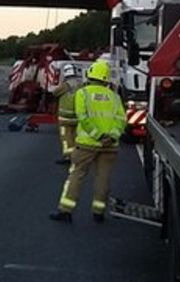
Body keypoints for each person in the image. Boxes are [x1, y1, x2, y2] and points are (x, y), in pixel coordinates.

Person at [50, 59, 126, 223]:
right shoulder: (115, 97)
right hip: (110, 146)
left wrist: (97, 135)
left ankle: (66, 211)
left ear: (90, 74)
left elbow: (82, 117)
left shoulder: (83, 94)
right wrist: (111, 136)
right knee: (103, 178)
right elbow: (121, 120)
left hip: (87, 144)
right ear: (106, 77)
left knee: (76, 175)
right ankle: (98, 212)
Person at [51, 64, 81, 165]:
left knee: (66, 138)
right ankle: (78, 156)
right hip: (77, 117)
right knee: (75, 137)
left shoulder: (66, 85)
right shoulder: (80, 84)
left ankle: (68, 157)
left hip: (65, 117)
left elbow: (55, 93)